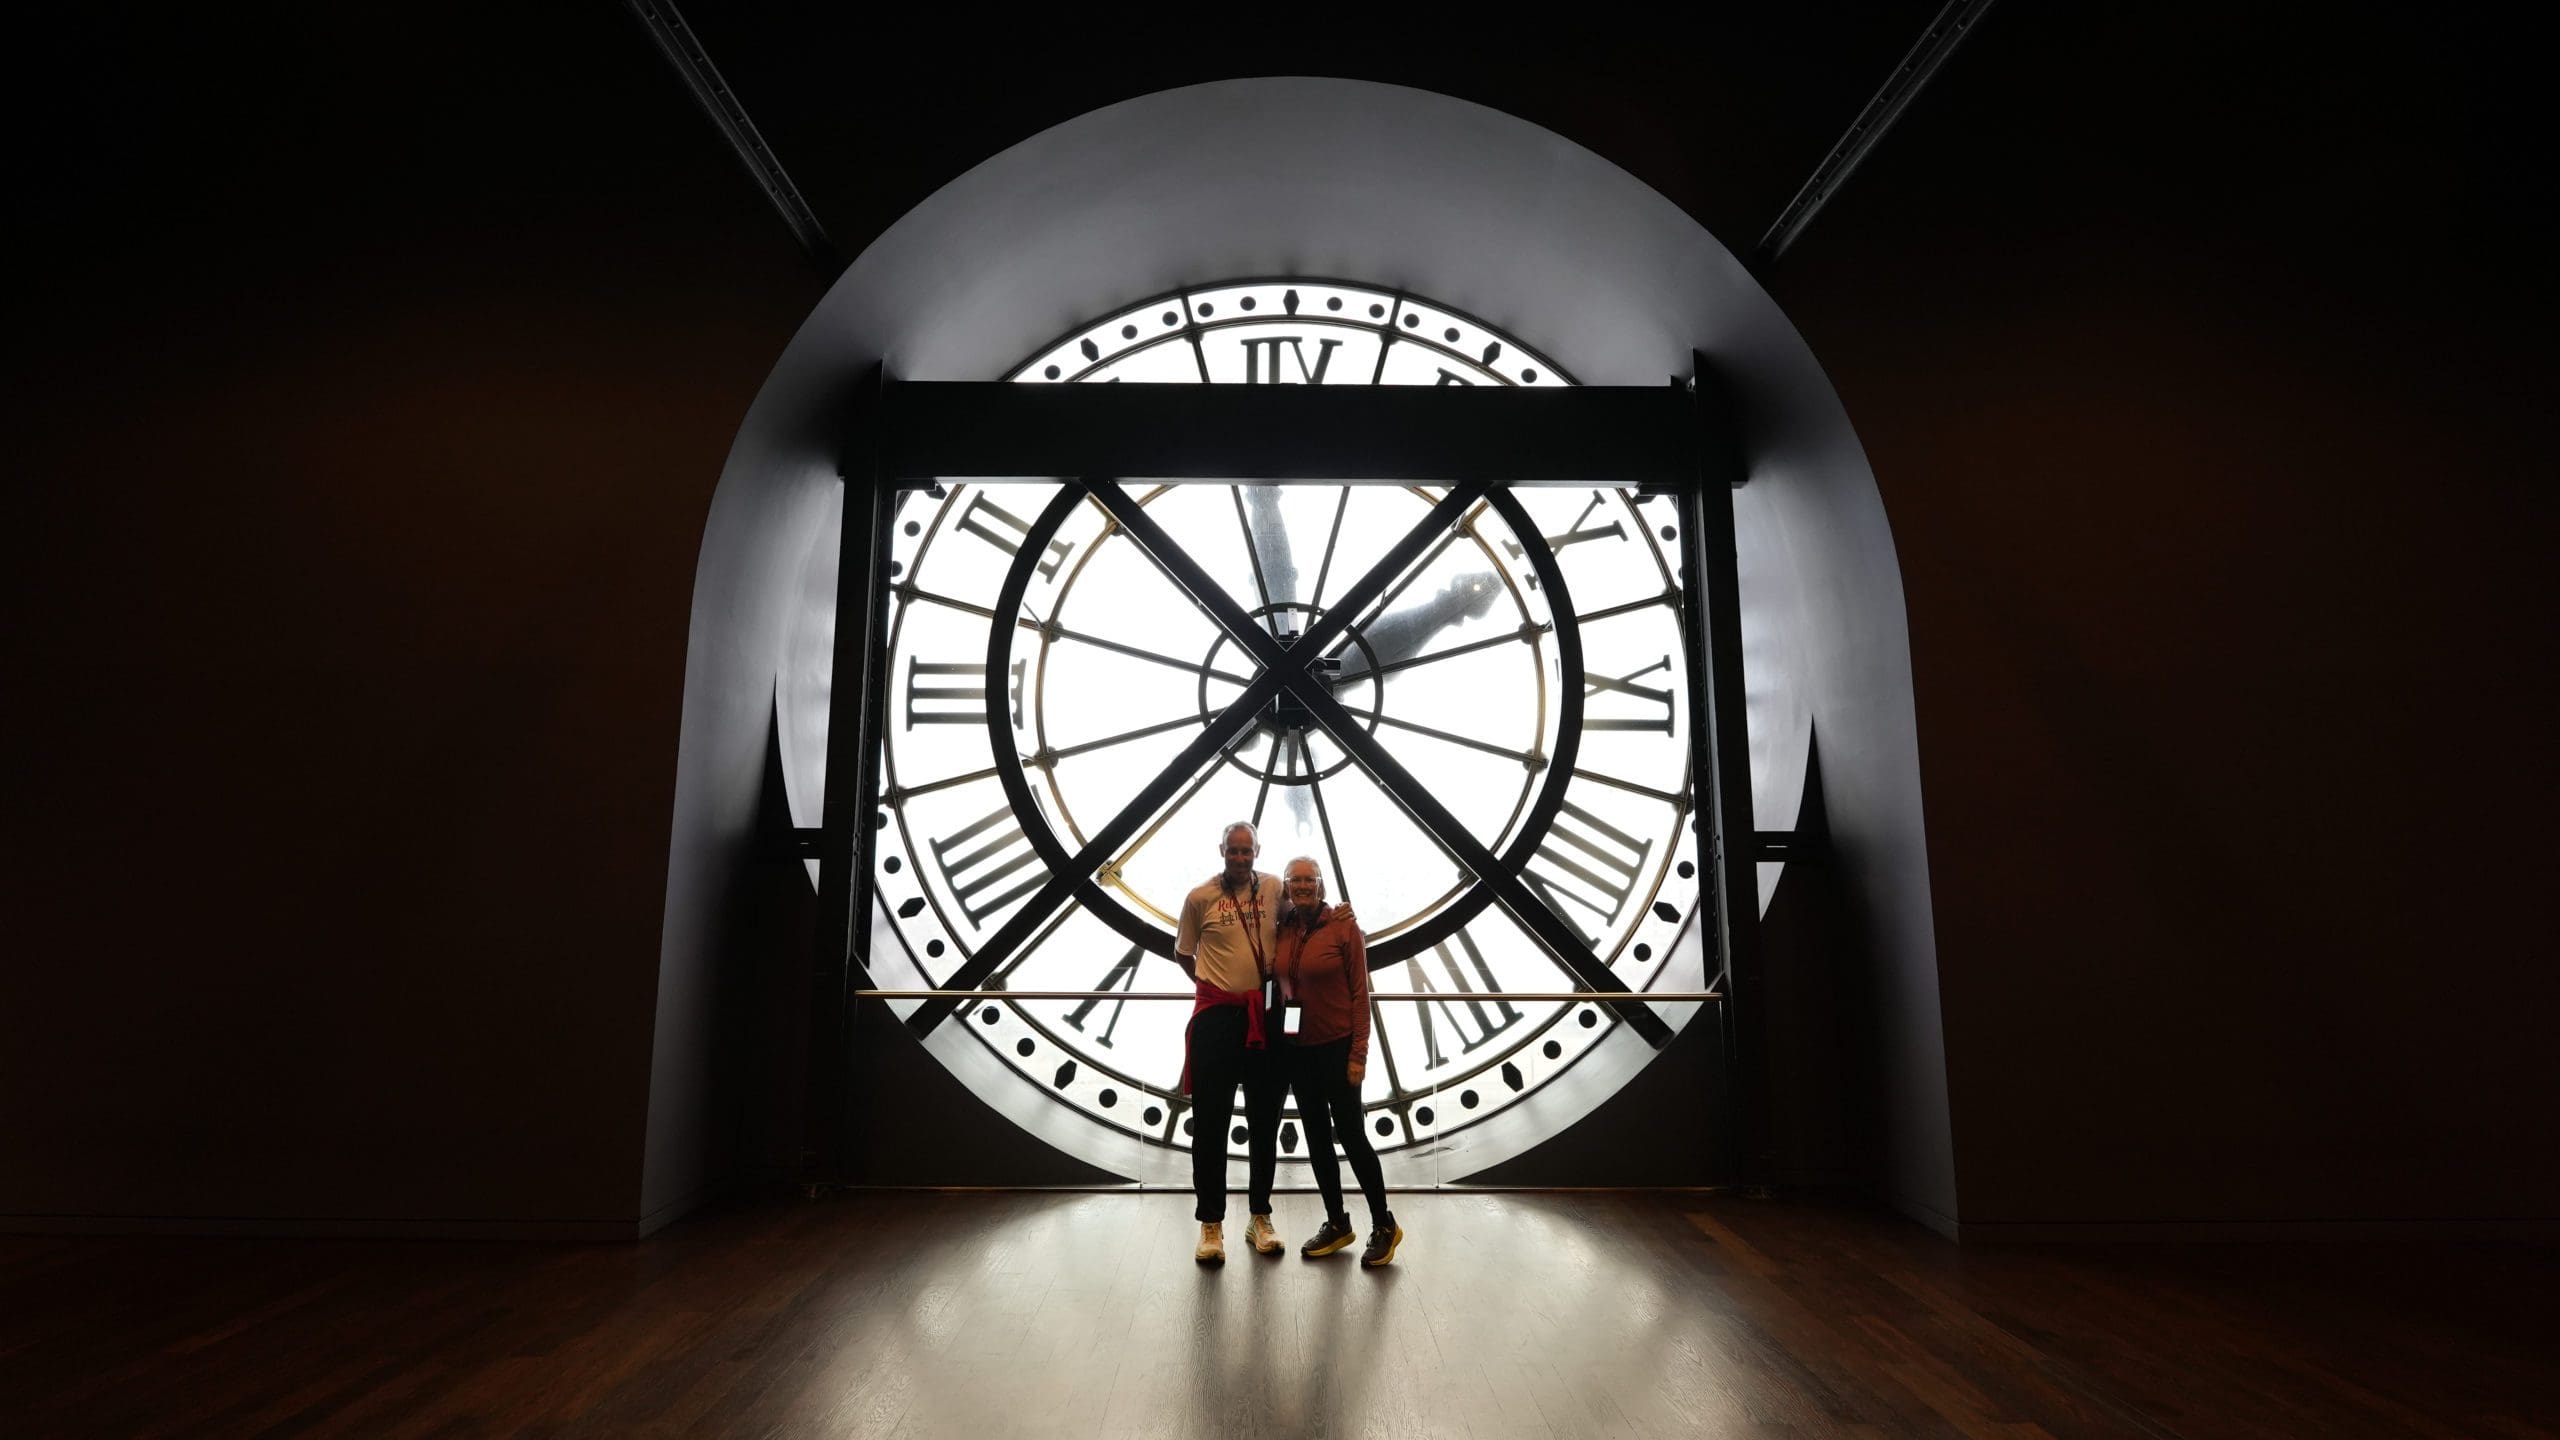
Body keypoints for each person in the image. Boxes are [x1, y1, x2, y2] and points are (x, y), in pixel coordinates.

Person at [1275, 856, 1402, 1267]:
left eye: (1308, 879)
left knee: (1348, 1137)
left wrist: (1358, 1055)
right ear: (1288, 887)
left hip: (1330, 1049)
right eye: (1295, 880)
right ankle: (1362, 1224)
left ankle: (1369, 1223)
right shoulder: (1291, 927)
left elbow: (1360, 997)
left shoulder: (1345, 928)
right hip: (1304, 1051)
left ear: (1321, 885)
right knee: (1324, 1139)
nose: (1302, 885)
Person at [1172, 821, 1286, 1265]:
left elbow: (1184, 954)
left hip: (1246, 1018)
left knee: (1262, 1123)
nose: (1240, 858)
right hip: (1227, 1018)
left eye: (1246, 851)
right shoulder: (1199, 898)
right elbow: (1184, 953)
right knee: (1213, 1126)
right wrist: (1218, 989)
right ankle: (1216, 1220)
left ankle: (1252, 1217)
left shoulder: (1275, 888)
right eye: (1233, 851)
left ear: (1258, 850)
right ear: (1221, 850)